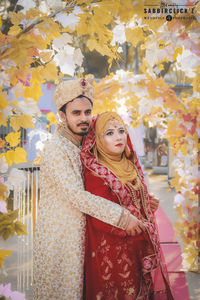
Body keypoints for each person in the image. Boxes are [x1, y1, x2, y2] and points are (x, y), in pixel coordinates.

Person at [33, 76, 144, 300]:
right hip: (61, 238)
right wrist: (121, 217)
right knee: (63, 292)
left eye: (87, 112)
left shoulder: (85, 142)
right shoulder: (56, 149)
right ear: (62, 115)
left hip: (86, 237)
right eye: (76, 113)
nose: (84, 118)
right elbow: (75, 195)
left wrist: (140, 198)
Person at [81, 112, 174, 300]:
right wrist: (130, 226)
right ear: (98, 139)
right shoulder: (95, 171)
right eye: (109, 133)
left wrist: (147, 201)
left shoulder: (130, 163)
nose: (118, 137)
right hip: (114, 251)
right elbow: (97, 215)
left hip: (140, 246)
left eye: (121, 130)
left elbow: (133, 198)